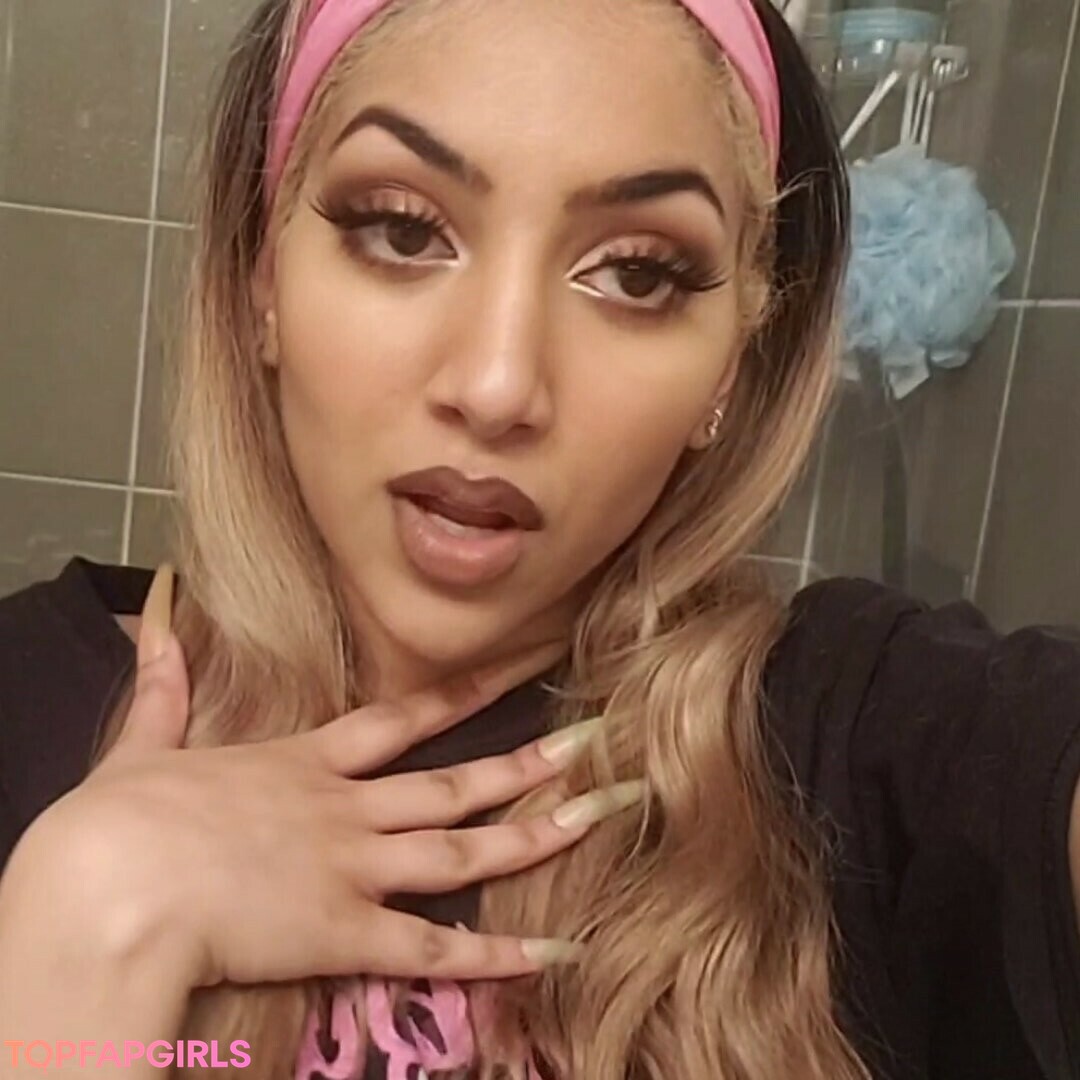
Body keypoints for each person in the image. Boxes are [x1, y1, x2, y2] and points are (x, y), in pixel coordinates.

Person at [0, 0, 1077, 1077]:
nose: (498, 386)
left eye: (638, 273)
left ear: (736, 362)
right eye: (403, 230)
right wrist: (86, 926)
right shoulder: (28, 702)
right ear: (261, 279)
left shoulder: (854, 745)